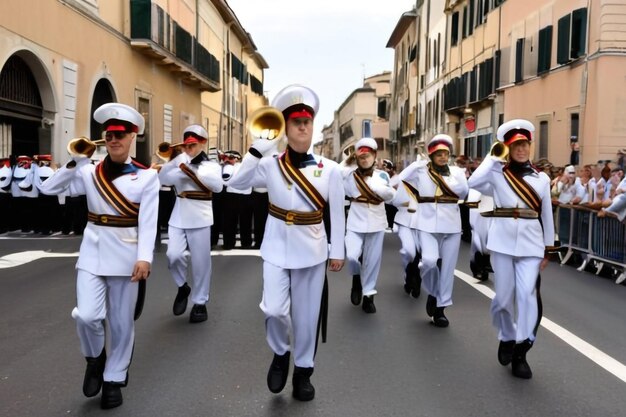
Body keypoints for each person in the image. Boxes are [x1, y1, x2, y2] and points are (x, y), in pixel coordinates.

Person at [225, 84, 345, 401]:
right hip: (276, 246)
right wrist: (254, 151)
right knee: (274, 310)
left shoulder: (329, 169)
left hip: (313, 249)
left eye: (307, 121)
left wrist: (338, 250)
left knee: (306, 318)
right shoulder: (270, 164)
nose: (303, 127)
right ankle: (281, 353)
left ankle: (303, 371)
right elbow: (236, 185)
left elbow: (336, 213)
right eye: (296, 122)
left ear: (312, 126)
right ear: (285, 127)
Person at [39, 103, 159, 408]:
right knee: (88, 316)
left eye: (120, 134)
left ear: (133, 136)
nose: (113, 139)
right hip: (92, 254)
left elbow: (148, 222)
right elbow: (48, 188)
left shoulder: (146, 178)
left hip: (127, 257)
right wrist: (74, 161)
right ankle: (94, 359)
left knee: (121, 322)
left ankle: (114, 377)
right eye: (108, 134)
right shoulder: (90, 172)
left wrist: (145, 258)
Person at [468, 119, 555, 379]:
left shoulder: (542, 178)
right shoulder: (497, 174)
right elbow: (473, 182)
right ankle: (506, 335)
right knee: (503, 300)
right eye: (516, 145)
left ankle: (521, 350)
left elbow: (547, 214)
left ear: (530, 146)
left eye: (525, 144)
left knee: (528, 296)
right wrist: (493, 156)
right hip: (502, 243)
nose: (521, 149)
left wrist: (549, 248)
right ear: (508, 147)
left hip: (531, 243)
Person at [398, 134, 468, 327]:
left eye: (446, 153)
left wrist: (453, 178)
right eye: (438, 154)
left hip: (452, 225)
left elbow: (463, 191)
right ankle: (433, 290)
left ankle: (440, 308)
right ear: (431, 155)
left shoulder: (457, 173)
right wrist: (417, 165)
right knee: (429, 261)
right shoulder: (422, 171)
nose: (443, 157)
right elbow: (401, 179)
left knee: (447, 269)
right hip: (427, 224)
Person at [158, 124, 223, 323]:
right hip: (179, 215)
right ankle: (182, 286)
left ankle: (200, 302)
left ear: (203, 143)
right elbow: (163, 179)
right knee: (173, 254)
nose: (189, 146)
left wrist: (189, 169)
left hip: (201, 216)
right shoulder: (179, 162)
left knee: (201, 262)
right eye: (187, 141)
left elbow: (217, 186)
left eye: (194, 142)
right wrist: (176, 159)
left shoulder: (211, 166)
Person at [342, 137, 396, 313]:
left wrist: (374, 186)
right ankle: (356, 277)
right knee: (352, 256)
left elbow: (389, 195)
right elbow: (335, 172)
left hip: (376, 221)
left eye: (368, 155)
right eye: (361, 156)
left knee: (372, 261)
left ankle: (368, 295)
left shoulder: (382, 175)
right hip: (355, 221)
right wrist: (348, 160)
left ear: (374, 156)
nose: (364, 159)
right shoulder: (349, 175)